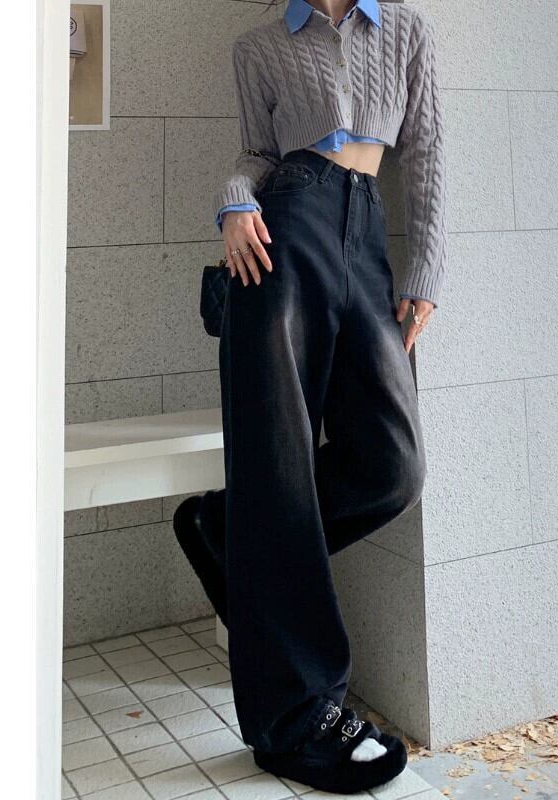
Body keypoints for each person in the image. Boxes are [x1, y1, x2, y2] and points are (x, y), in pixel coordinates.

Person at [173, 0, 446, 793]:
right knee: (278, 454)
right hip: (282, 228)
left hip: (365, 237)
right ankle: (295, 720)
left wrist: (427, 268)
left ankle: (226, 530)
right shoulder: (259, 44)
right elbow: (256, 152)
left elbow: (427, 150)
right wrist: (234, 200)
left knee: (392, 465)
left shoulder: (404, 30)